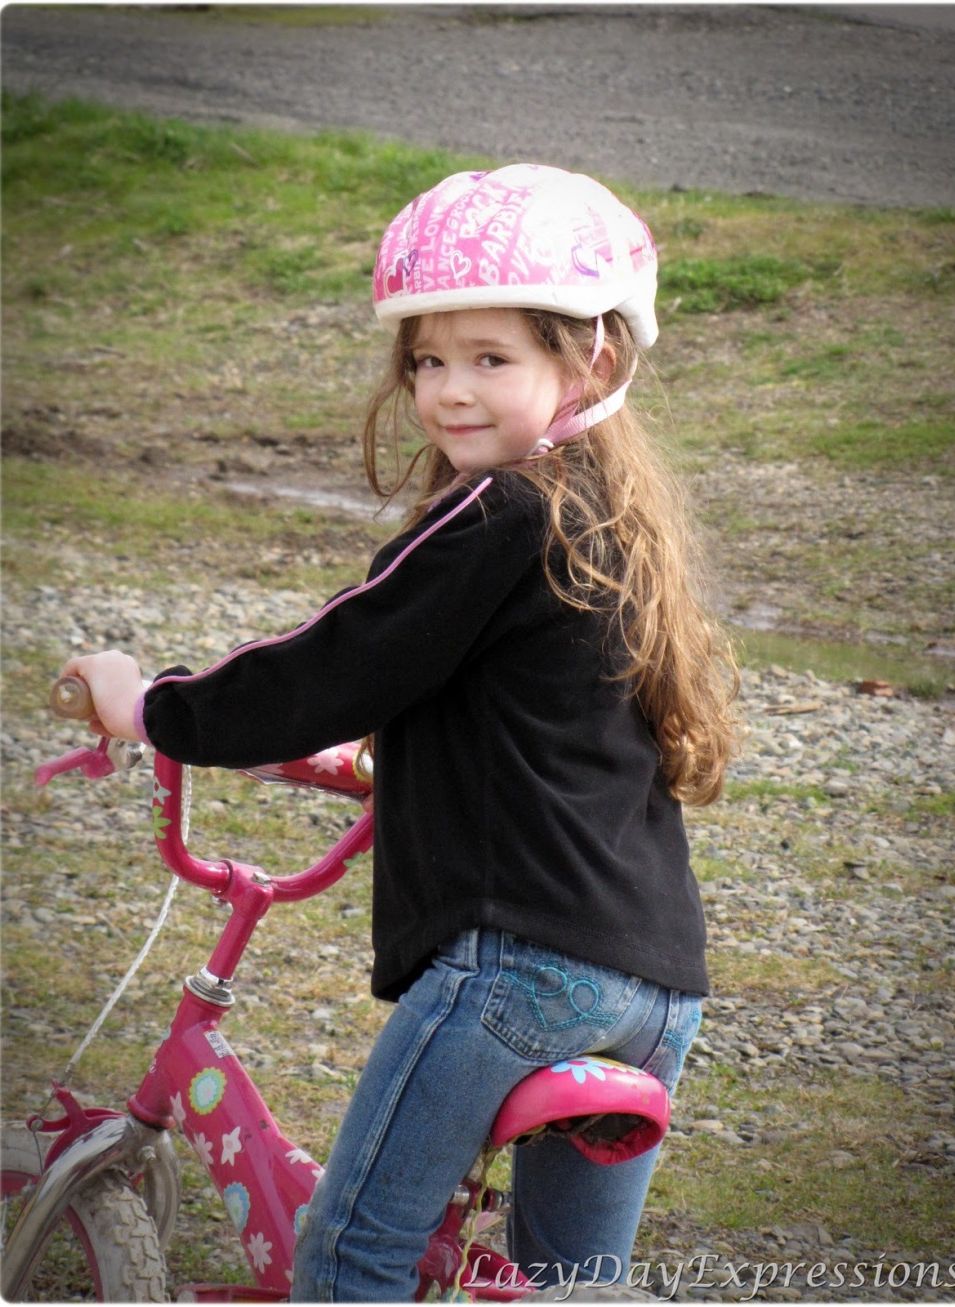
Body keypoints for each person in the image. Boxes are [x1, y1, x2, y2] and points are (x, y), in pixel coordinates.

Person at [60, 163, 739, 1301]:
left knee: (353, 1255)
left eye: (489, 358)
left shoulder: (501, 509)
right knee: (568, 1280)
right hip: (658, 984)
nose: (446, 389)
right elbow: (528, 722)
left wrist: (154, 706)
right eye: (426, 359)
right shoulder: (612, 523)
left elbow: (337, 657)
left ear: (592, 361)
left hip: (519, 971)